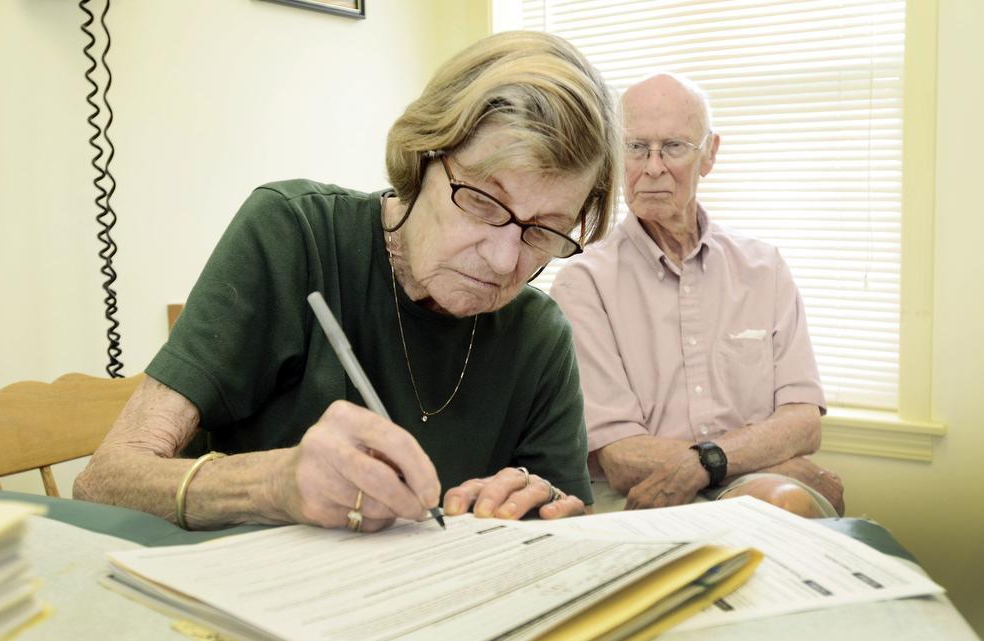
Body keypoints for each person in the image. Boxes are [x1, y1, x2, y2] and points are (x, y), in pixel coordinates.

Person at [74, 31, 621, 533]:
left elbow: (570, 527)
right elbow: (103, 482)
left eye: (545, 231)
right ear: (421, 156)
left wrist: (539, 515)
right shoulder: (294, 235)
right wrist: (274, 483)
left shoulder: (539, 335)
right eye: (481, 201)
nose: (505, 262)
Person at [551, 73, 844, 518]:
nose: (652, 168)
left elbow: (803, 423)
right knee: (788, 499)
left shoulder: (764, 268)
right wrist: (768, 461)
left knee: (781, 504)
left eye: (673, 147)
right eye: (634, 148)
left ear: (709, 154)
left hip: (755, 485)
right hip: (644, 500)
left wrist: (707, 464)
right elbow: (621, 455)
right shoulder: (583, 282)